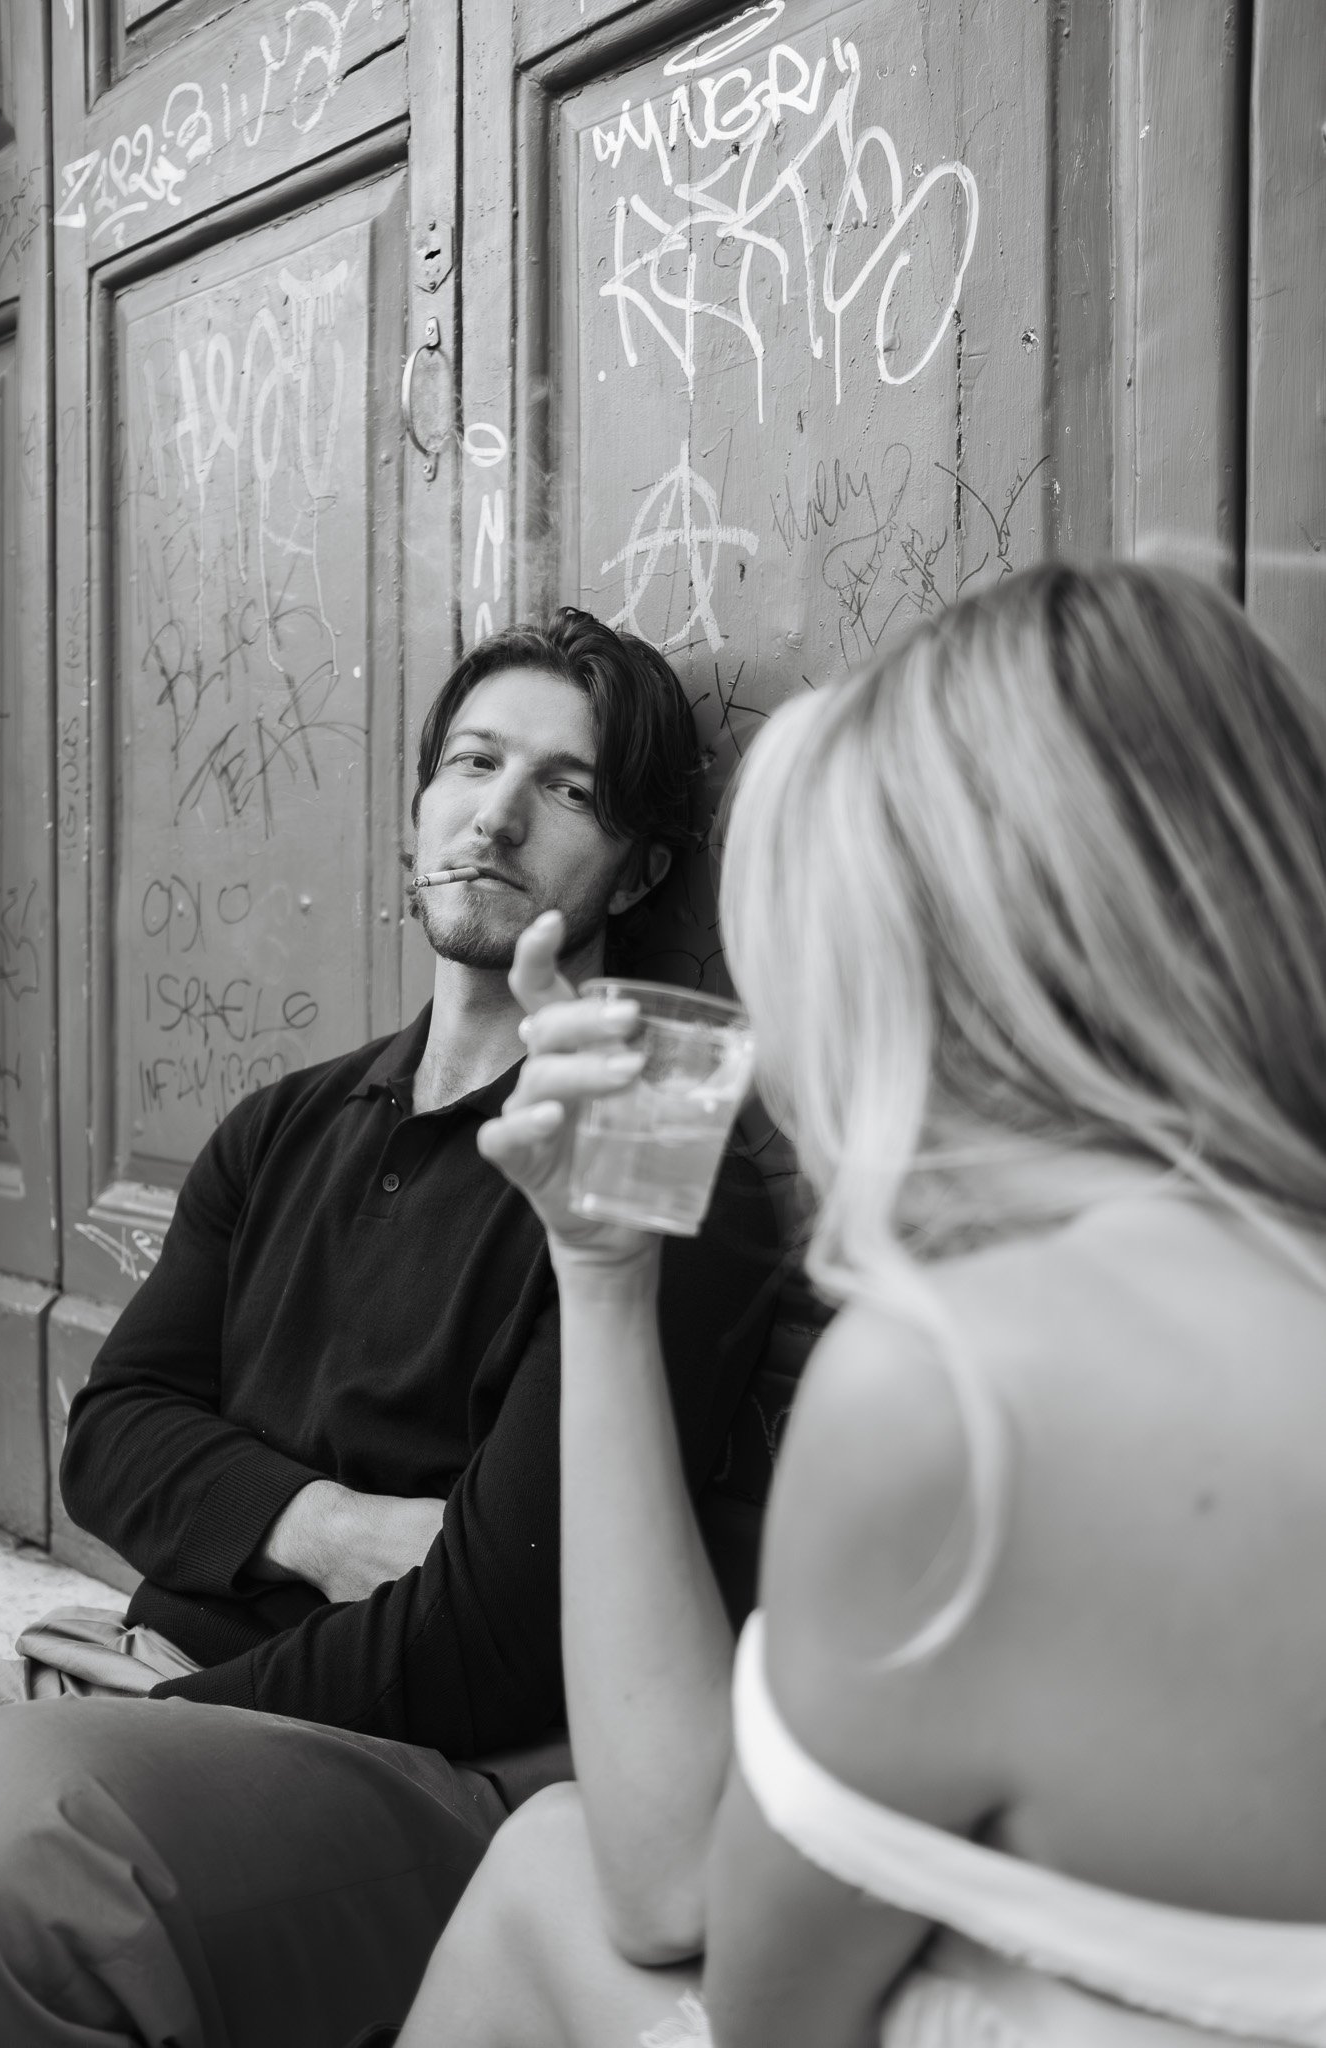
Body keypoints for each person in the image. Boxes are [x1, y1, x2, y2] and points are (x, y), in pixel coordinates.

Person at [399, 563, 1326, 2048]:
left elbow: (703, 1936)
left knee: (542, 1879)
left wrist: (602, 1282)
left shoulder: (956, 1387)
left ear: (932, 962)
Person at [0, 610, 778, 2047]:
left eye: (570, 790)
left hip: (426, 1759)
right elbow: (115, 1441)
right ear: (415, 806)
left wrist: (175, 1693)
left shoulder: (652, 1142)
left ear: (640, 867)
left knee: (6, 1845)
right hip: (153, 1695)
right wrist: (330, 1526)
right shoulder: (281, 1122)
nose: (499, 814)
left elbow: (494, 1630)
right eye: (471, 763)